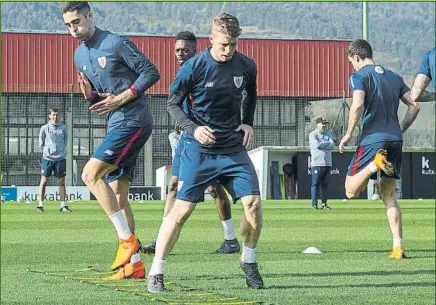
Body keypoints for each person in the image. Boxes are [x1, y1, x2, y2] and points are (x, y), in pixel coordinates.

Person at [147, 13, 263, 292]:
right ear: (211, 40)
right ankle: (156, 271)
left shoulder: (246, 65)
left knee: (254, 205)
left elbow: (251, 94)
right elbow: (172, 104)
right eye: (223, 44)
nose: (228, 50)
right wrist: (192, 128)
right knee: (182, 210)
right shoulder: (193, 67)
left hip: (232, 147)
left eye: (233, 45)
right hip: (199, 148)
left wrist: (247, 122)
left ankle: (247, 260)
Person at [62, 1, 160, 279]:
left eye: (77, 22)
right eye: (68, 25)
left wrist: (124, 96)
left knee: (90, 174)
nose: (73, 29)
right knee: (118, 195)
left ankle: (128, 242)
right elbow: (102, 94)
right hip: (115, 122)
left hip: (134, 119)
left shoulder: (116, 43)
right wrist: (90, 96)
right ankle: (135, 265)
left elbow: (151, 72)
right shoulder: (79, 55)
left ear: (90, 17)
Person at [141, 31, 240, 255]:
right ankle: (161, 240)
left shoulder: (207, 69)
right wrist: (185, 124)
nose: (180, 53)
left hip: (209, 139)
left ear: (196, 50)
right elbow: (176, 104)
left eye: (185, 49)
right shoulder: (183, 72)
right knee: (173, 186)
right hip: (188, 138)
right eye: (177, 50)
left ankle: (231, 239)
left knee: (215, 189)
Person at [338, 39, 420, 259]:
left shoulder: (359, 76)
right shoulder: (394, 77)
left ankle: (373, 165)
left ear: (356, 57)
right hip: (395, 141)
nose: (352, 67)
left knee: (349, 190)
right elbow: (415, 105)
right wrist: (400, 128)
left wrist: (348, 133)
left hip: (373, 142)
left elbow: (357, 103)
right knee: (389, 194)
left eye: (351, 62)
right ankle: (398, 247)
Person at [38, 108, 70, 212]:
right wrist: (47, 151)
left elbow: (65, 142)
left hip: (60, 159)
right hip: (47, 158)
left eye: (57, 115)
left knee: (61, 182)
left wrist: (61, 152)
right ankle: (40, 205)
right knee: (44, 182)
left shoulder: (64, 128)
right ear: (49, 116)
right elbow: (41, 143)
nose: (55, 117)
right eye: (53, 115)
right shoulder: (44, 128)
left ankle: (63, 205)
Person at [309, 117, 334, 210]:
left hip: (327, 163)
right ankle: (314, 204)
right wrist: (327, 143)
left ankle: (324, 204)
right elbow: (317, 145)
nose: (324, 125)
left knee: (325, 185)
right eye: (322, 123)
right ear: (317, 124)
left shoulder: (328, 134)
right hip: (317, 163)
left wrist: (324, 144)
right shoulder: (313, 134)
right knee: (315, 184)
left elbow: (332, 145)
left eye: (325, 124)